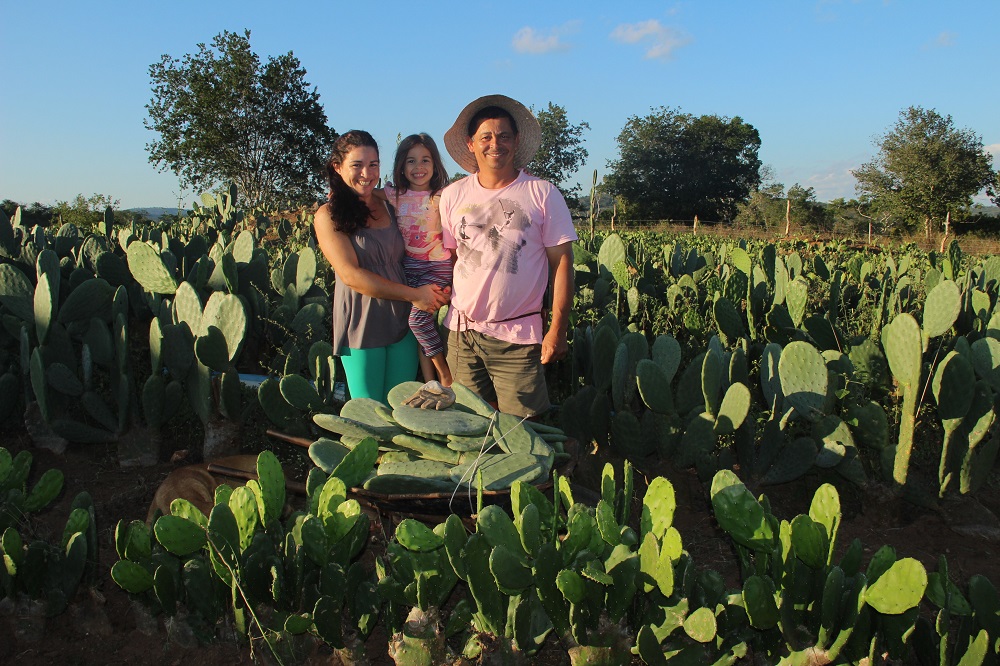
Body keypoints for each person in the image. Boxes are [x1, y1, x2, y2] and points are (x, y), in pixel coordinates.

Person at [438, 94, 577, 418]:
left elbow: (563, 264)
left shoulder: (542, 193)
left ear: (515, 141)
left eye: (503, 136)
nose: (494, 144)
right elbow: (454, 259)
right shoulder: (453, 195)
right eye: (485, 137)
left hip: (517, 335)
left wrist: (558, 329)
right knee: (467, 427)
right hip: (461, 334)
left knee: (523, 431)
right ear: (471, 145)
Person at [313, 130, 449, 404]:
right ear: (338, 168)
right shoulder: (327, 215)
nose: (367, 172)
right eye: (357, 165)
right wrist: (416, 295)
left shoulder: (389, 204)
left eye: (373, 164)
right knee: (370, 412)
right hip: (363, 321)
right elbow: (352, 276)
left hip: (402, 320)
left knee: (401, 407)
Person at [385, 134, 454, 389]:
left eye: (425, 160)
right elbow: (365, 194)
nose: (418, 167)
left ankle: (444, 374)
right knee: (419, 329)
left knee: (418, 320)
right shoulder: (395, 195)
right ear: (402, 166)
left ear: (435, 165)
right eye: (411, 161)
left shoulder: (443, 196)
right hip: (408, 267)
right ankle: (430, 382)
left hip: (437, 266)